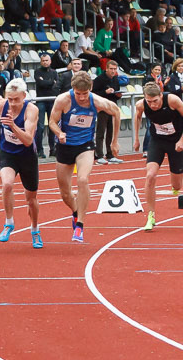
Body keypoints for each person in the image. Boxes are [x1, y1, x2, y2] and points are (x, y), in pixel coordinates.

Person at [48, 71, 122, 243]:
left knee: (82, 180)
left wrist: (115, 141)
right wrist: (59, 133)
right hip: (65, 146)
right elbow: (52, 122)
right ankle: (75, 211)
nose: (81, 98)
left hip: (85, 146)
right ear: (73, 89)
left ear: (90, 89)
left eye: (85, 94)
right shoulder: (63, 100)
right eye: (78, 94)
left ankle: (80, 225)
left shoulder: (97, 101)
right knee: (65, 193)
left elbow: (117, 112)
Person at [0, 79, 43, 248]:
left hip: (27, 156)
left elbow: (28, 140)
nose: (12, 103)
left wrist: (12, 126)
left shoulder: (31, 111)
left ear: (24, 96)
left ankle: (35, 229)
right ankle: (9, 222)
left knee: (31, 199)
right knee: (7, 184)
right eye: (10, 99)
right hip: (8, 153)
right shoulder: (2, 104)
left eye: (16, 99)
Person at [132, 83, 183, 231]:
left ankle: (175, 185)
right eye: (149, 101)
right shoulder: (141, 104)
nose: (152, 105)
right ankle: (151, 215)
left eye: (155, 101)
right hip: (157, 141)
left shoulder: (173, 100)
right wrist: (136, 139)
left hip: (176, 142)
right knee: (150, 175)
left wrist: (181, 140)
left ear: (161, 95)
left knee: (177, 185)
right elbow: (137, 117)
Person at [91, 59, 124, 164]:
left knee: (111, 131)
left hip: (112, 107)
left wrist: (118, 95)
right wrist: (105, 92)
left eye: (115, 69)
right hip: (102, 108)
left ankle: (110, 154)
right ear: (106, 68)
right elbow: (93, 93)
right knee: (101, 131)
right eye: (111, 69)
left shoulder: (115, 79)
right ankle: (99, 155)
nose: (113, 71)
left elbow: (116, 94)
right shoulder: (99, 79)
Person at [33, 53, 60, 157]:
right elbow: (40, 84)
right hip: (41, 100)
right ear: (41, 62)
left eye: (47, 60)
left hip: (52, 100)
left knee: (52, 125)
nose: (45, 62)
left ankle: (52, 149)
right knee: (39, 126)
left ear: (50, 61)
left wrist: (46, 82)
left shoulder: (54, 72)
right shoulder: (37, 71)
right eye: (43, 60)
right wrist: (50, 82)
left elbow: (56, 85)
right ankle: (40, 150)